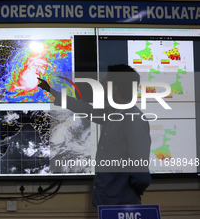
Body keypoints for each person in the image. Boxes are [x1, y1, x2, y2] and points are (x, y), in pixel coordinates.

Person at [38, 64, 151, 206]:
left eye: (104, 81)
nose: (101, 85)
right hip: (106, 199)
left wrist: (127, 192)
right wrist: (51, 91)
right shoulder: (111, 113)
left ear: (114, 88)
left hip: (123, 204)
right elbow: (85, 109)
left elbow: (140, 170)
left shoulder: (133, 119)